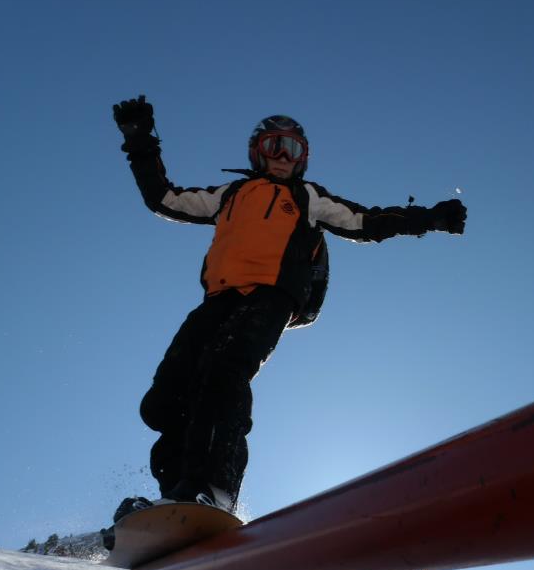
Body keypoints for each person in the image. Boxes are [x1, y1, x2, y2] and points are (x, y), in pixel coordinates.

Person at [109, 95, 466, 523]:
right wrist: (139, 138)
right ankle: (176, 498)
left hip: (272, 298)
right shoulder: (230, 195)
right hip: (218, 298)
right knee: (168, 396)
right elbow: (163, 197)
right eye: (273, 145)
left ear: (303, 159)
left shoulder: (308, 198)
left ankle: (215, 489)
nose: (282, 156)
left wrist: (432, 218)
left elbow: (367, 222)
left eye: (292, 149)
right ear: (256, 152)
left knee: (225, 371)